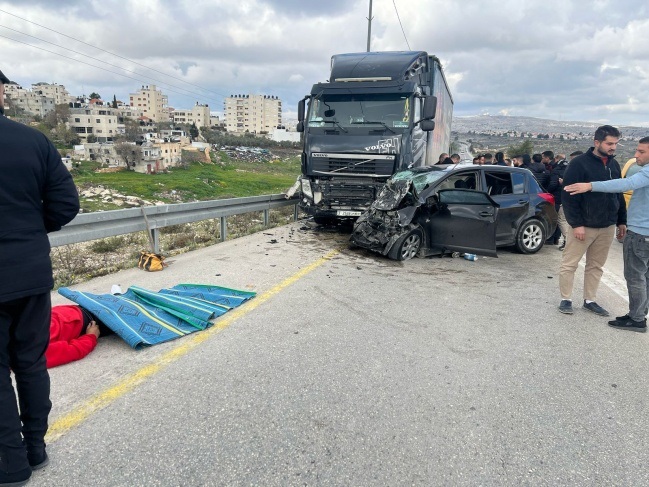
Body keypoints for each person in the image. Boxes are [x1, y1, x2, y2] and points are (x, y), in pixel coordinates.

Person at [0, 68, 80, 486]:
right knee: (30, 362)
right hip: (30, 272)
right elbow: (66, 203)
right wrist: (29, 233)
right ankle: (35, 449)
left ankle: (10, 466)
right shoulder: (33, 141)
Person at [564, 137, 649, 332]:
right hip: (631, 232)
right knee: (645, 278)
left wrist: (590, 185)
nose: (636, 155)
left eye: (641, 152)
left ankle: (636, 319)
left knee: (635, 277)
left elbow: (623, 185)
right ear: (597, 142)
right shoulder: (579, 163)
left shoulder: (643, 172)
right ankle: (638, 313)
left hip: (640, 234)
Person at [558, 125, 626, 316]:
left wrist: (621, 220)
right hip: (583, 225)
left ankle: (590, 300)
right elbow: (569, 195)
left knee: (596, 266)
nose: (613, 147)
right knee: (570, 263)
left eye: (615, 143)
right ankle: (566, 299)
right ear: (597, 142)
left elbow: (618, 193)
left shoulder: (614, 165)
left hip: (607, 226)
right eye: (609, 143)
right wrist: (576, 224)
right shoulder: (579, 163)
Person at [46, 306, 110, 368]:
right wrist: (90, 336)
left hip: (75, 309)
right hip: (87, 319)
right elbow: (72, 351)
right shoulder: (38, 353)